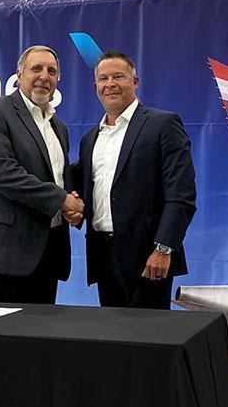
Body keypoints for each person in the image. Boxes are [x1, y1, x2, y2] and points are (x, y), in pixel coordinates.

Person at [0, 45, 84, 304]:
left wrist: (72, 205)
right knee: (2, 341)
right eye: (36, 68)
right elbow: (2, 173)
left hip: (47, 253)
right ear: (18, 75)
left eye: (52, 71)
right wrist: (61, 199)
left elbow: (57, 178)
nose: (44, 76)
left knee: (40, 340)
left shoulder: (58, 126)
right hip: (2, 254)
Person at [75, 51, 196, 309]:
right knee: (114, 340)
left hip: (149, 258)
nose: (110, 84)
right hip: (102, 257)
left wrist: (164, 249)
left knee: (150, 342)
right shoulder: (89, 139)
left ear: (135, 81)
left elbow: (181, 196)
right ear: (95, 85)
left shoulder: (163, 124)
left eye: (118, 76)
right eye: (103, 78)